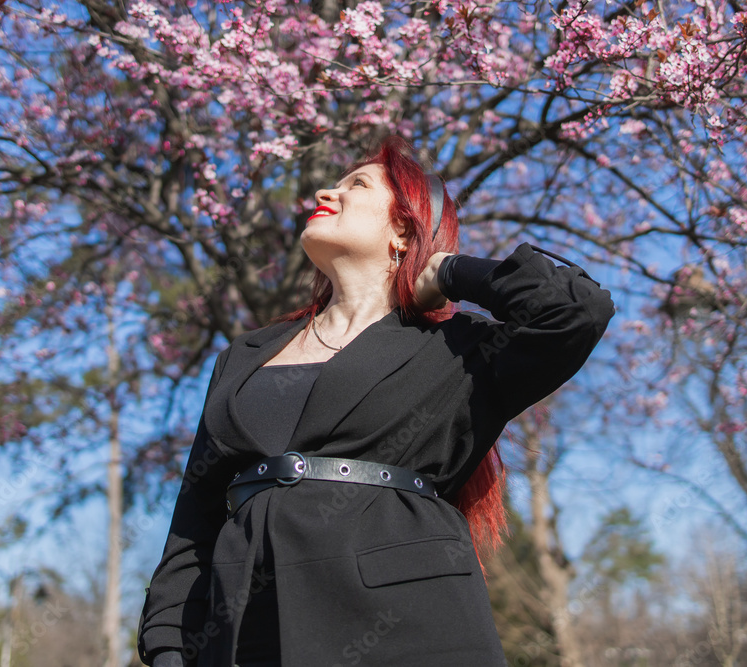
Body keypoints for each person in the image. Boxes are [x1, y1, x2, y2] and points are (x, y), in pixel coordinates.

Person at [137, 135, 614, 667]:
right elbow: (193, 523)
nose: (326, 191)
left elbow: (578, 309)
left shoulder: (460, 350)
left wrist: (448, 271)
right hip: (244, 626)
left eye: (356, 184)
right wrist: (168, 647)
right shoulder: (244, 356)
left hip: (404, 620)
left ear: (404, 229)